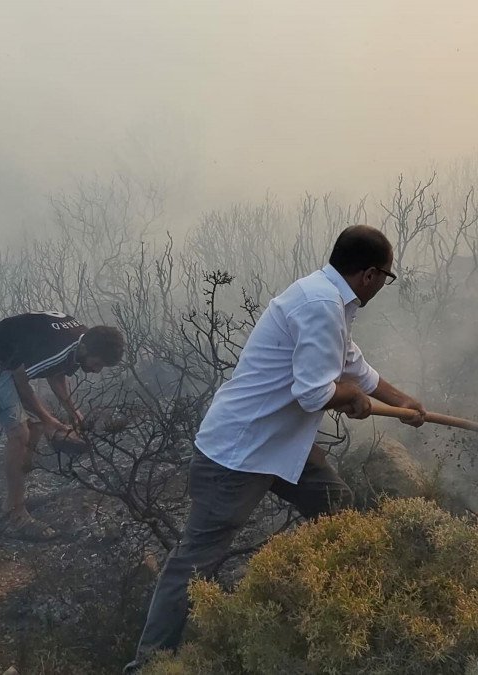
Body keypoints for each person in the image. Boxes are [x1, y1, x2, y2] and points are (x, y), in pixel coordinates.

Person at [127, 225, 426, 670]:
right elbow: (313, 394)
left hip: (280, 442)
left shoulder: (330, 300)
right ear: (368, 274)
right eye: (387, 275)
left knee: (335, 505)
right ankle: (149, 665)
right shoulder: (321, 304)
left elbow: (352, 365)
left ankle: (337, 614)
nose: (384, 284)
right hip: (238, 453)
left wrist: (399, 401)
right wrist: (351, 399)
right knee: (194, 562)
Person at [0, 311, 125, 539]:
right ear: (86, 350)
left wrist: (73, 412)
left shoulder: (81, 343)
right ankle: (14, 513)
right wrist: (51, 420)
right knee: (20, 433)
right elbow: (21, 381)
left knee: (36, 427)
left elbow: (57, 373)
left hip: (10, 359)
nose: (96, 370)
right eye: (97, 364)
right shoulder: (60, 347)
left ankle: (20, 484)